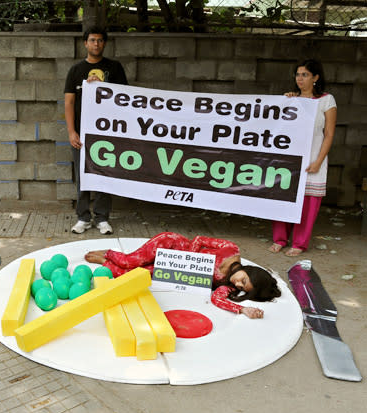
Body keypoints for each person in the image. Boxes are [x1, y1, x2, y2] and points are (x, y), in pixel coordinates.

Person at [85, 232, 281, 319]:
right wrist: (188, 260)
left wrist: (242, 309)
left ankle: (106, 262)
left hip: (172, 271)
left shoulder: (227, 285)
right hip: (173, 245)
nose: (237, 283)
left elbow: (217, 298)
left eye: (241, 288)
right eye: (243, 280)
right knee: (131, 261)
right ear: (248, 270)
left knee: (128, 275)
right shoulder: (231, 249)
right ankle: (109, 253)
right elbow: (199, 239)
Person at [268, 59, 337, 257]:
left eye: (305, 75)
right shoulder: (290, 100)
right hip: (289, 160)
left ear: (316, 77)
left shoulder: (326, 100)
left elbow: (329, 134)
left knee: (308, 204)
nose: (300, 79)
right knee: (282, 199)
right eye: (298, 74)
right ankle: (280, 239)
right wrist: (286, 102)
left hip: (314, 159)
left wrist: (318, 161)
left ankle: (299, 243)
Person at [64, 26, 128, 235]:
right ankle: (83, 217)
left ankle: (102, 218)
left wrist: (103, 87)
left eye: (100, 41)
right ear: (85, 43)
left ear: (105, 43)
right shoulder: (75, 70)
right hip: (82, 133)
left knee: (104, 175)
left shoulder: (115, 68)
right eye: (92, 40)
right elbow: (69, 102)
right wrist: (72, 132)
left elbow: (125, 99)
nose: (96, 44)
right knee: (82, 176)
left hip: (107, 133)